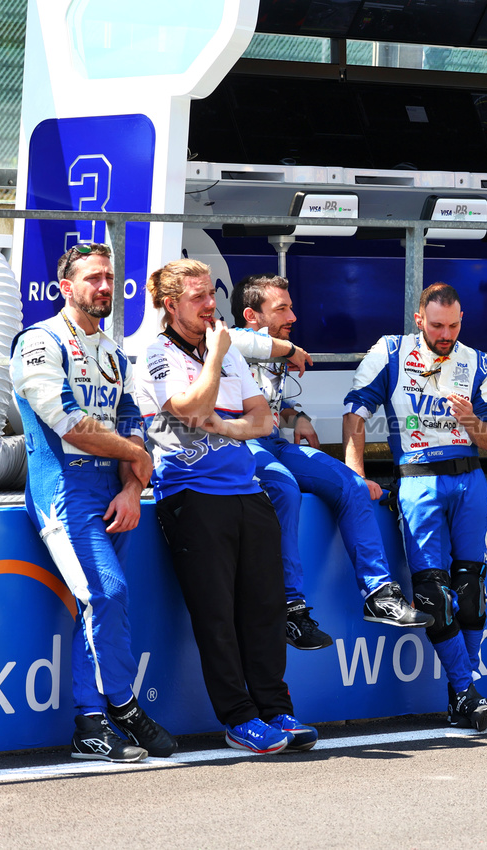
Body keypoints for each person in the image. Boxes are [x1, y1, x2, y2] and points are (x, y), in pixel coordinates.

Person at [137, 258, 315, 754]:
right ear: (171, 305)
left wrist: (228, 427)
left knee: (263, 610)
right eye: (197, 297)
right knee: (217, 617)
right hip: (192, 496)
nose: (210, 305)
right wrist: (215, 358)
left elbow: (262, 419)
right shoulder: (158, 354)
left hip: (245, 490)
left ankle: (276, 710)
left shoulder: (228, 349)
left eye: (210, 294)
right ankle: (239, 719)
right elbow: (193, 408)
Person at [10, 243, 176, 762]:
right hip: (64, 490)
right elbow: (70, 425)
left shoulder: (110, 349)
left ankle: (90, 722)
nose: (105, 287)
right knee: (106, 591)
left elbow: (132, 424)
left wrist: (131, 487)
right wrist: (135, 457)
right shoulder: (39, 341)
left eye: (110, 278)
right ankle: (123, 705)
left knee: (99, 603)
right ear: (66, 287)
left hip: (113, 491)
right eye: (93, 279)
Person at [229, 274, 429, 651]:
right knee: (284, 486)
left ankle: (379, 594)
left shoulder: (271, 349)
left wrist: (294, 415)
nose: (293, 316)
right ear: (251, 316)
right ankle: (291, 609)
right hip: (238, 445)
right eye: (282, 308)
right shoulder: (232, 341)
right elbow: (231, 339)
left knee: (351, 485)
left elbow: (267, 399)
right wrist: (287, 350)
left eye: (290, 306)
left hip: (272, 443)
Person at [343, 283, 487, 731]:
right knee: (434, 592)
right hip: (417, 478)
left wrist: (469, 418)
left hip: (470, 478)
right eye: (436, 326)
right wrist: (355, 475)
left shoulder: (478, 360)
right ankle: (468, 693)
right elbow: (356, 410)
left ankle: (463, 695)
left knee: (470, 591)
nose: (445, 334)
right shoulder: (391, 351)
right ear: (419, 319)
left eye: (453, 325)